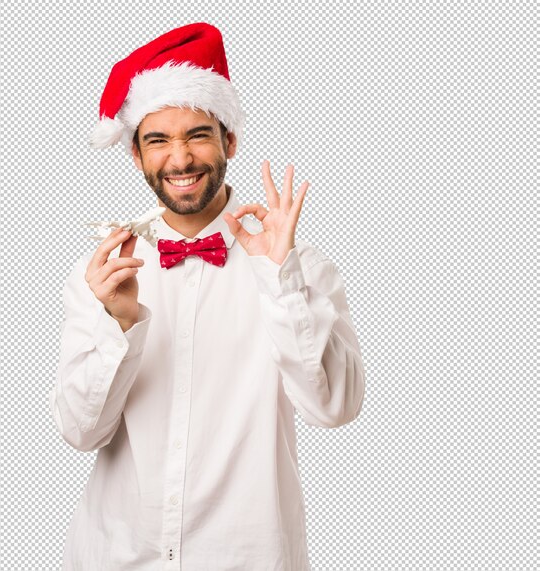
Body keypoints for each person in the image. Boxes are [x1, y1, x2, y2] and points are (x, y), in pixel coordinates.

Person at [49, 22, 365, 571]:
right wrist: (119, 324)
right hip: (118, 557)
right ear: (136, 156)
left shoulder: (300, 269)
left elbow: (333, 409)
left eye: (197, 134)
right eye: (158, 140)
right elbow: (81, 432)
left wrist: (279, 278)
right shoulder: (101, 273)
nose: (180, 160)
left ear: (230, 142)